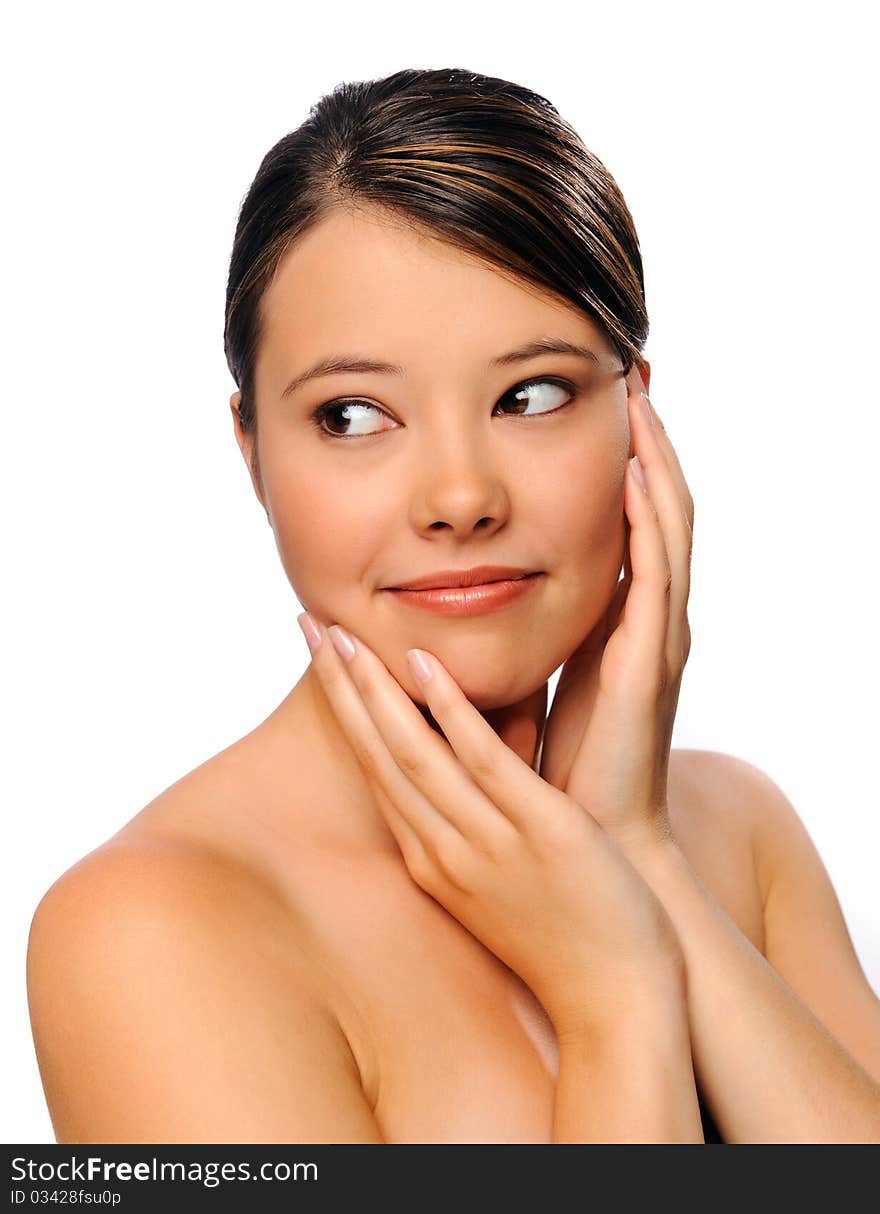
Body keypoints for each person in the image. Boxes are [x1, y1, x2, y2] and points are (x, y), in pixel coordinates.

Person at [26, 67, 880, 1145]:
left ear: (634, 416)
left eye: (530, 395)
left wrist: (640, 852)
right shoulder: (147, 929)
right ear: (252, 450)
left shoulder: (735, 833)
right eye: (352, 415)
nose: (461, 497)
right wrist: (614, 991)